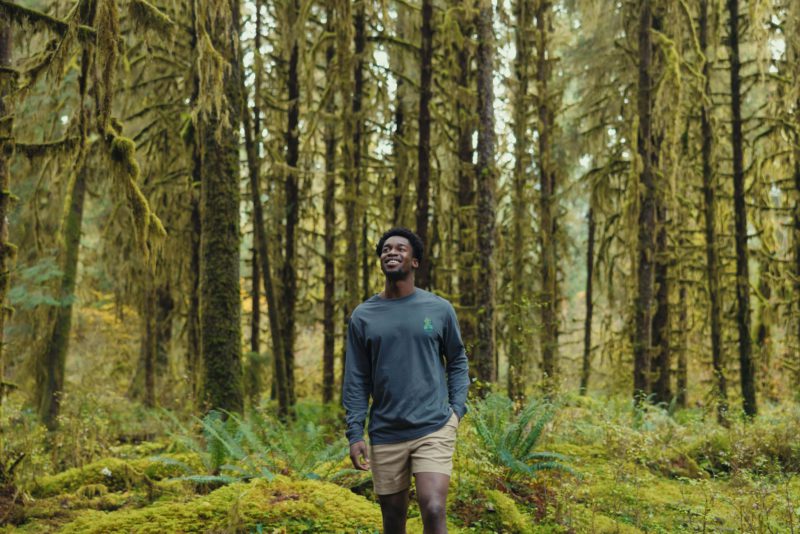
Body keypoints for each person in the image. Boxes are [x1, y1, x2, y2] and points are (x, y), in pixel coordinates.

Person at [343, 227, 470, 534]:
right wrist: (355, 432)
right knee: (393, 520)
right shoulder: (364, 316)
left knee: (434, 506)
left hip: (434, 426)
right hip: (386, 431)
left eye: (400, 248)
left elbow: (457, 360)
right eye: (386, 249)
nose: (392, 252)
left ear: (415, 261)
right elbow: (357, 378)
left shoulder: (438, 309)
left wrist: (456, 409)